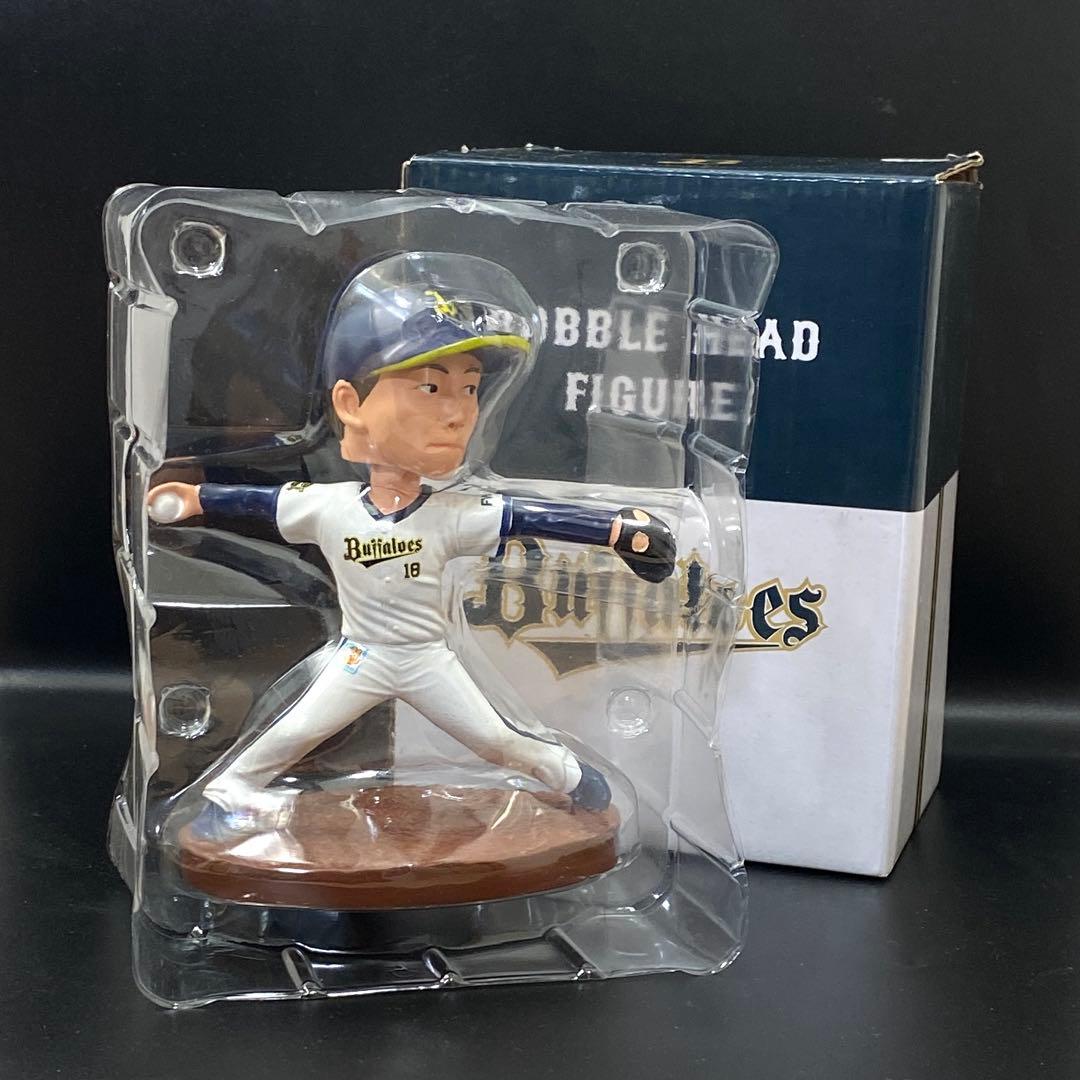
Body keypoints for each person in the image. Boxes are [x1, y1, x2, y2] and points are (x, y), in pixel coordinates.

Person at [148, 254, 675, 839]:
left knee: (496, 739)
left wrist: (616, 529)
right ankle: (229, 794)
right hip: (359, 659)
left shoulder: (451, 514)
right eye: (430, 386)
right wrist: (195, 497)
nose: (458, 413)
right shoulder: (330, 506)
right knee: (294, 732)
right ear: (350, 405)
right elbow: (258, 503)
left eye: (469, 388)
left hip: (426, 661)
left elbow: (528, 517)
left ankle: (568, 778)